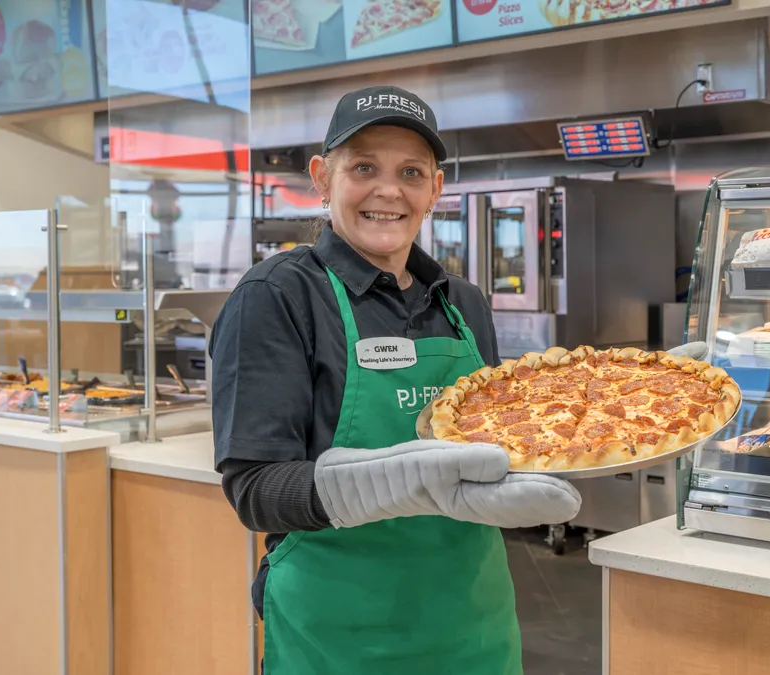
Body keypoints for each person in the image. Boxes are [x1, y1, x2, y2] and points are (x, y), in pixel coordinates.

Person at [208, 85, 583, 674]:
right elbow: (254, 490)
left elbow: (498, 439)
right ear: (322, 177)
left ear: (435, 188)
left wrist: (585, 406)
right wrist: (401, 483)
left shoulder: (463, 301)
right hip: (339, 633)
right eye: (363, 168)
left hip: (472, 622)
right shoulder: (276, 296)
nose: (388, 191)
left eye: (411, 171)